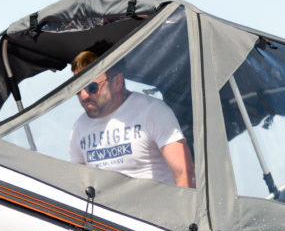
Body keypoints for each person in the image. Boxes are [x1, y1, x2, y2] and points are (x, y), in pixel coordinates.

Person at [67, 49, 194, 187]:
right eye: (78, 89)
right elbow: (78, 184)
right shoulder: (79, 127)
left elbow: (184, 174)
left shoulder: (152, 112)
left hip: (153, 207)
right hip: (103, 208)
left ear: (117, 82)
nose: (84, 96)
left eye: (92, 87)